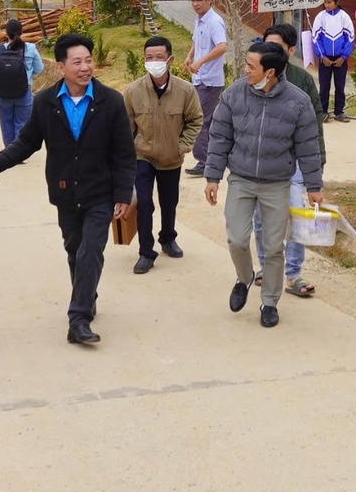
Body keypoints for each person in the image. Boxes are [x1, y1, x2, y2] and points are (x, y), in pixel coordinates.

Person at [0, 32, 136, 346]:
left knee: (90, 251)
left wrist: (123, 194)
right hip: (65, 193)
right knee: (74, 251)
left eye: (88, 61)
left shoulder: (110, 101)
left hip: (100, 192)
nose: (85, 68)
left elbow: (124, 153)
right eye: (77, 62)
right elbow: (27, 141)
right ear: (61, 67)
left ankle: (78, 319)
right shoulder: (45, 101)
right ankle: (87, 296)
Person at [201, 41, 324, 330]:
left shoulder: (297, 101)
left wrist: (313, 185)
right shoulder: (234, 94)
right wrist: (213, 177)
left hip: (276, 183)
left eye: (250, 66)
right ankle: (244, 278)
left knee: (272, 247)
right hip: (241, 179)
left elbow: (308, 146)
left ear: (270, 72)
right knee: (237, 239)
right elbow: (219, 137)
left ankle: (269, 301)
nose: (245, 69)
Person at [123, 34, 202, 274]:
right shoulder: (133, 91)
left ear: (170, 59)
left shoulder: (185, 90)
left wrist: (181, 147)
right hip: (142, 156)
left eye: (159, 57)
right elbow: (126, 126)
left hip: (171, 158)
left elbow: (195, 121)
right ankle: (145, 252)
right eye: (149, 58)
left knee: (170, 203)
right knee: (144, 203)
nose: (154, 61)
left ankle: (167, 238)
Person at [262, 23, 325, 299]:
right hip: (262, 162)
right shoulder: (255, 78)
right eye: (266, 45)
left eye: (276, 47)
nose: (270, 52)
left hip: (295, 161)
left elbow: (315, 125)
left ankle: (292, 273)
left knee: (296, 211)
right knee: (260, 217)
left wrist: (316, 167)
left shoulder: (303, 81)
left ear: (290, 50)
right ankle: (266, 266)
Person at [183, 0, 229, 176]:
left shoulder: (215, 21)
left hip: (210, 80)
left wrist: (201, 61)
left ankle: (205, 162)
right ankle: (210, 159)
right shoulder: (199, 19)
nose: (195, 4)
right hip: (199, 78)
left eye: (199, 0)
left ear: (210, 0)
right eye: (193, 0)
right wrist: (189, 56)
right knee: (202, 119)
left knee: (201, 120)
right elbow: (196, 39)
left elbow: (222, 47)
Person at [0, 16, 44, 147]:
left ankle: (10, 152)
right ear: (21, 32)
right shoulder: (30, 48)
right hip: (24, 91)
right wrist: (27, 76)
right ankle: (19, 151)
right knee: (22, 122)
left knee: (6, 122)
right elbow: (39, 68)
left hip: (3, 93)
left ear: (6, 33)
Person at [310, 0, 355, 122]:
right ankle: (322, 112)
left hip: (340, 59)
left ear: (337, 2)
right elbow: (315, 38)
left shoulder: (344, 17)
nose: (327, 5)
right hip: (325, 59)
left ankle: (339, 112)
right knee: (324, 86)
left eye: (329, 2)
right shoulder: (320, 17)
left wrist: (344, 57)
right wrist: (322, 56)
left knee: (340, 86)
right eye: (325, 2)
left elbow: (350, 38)